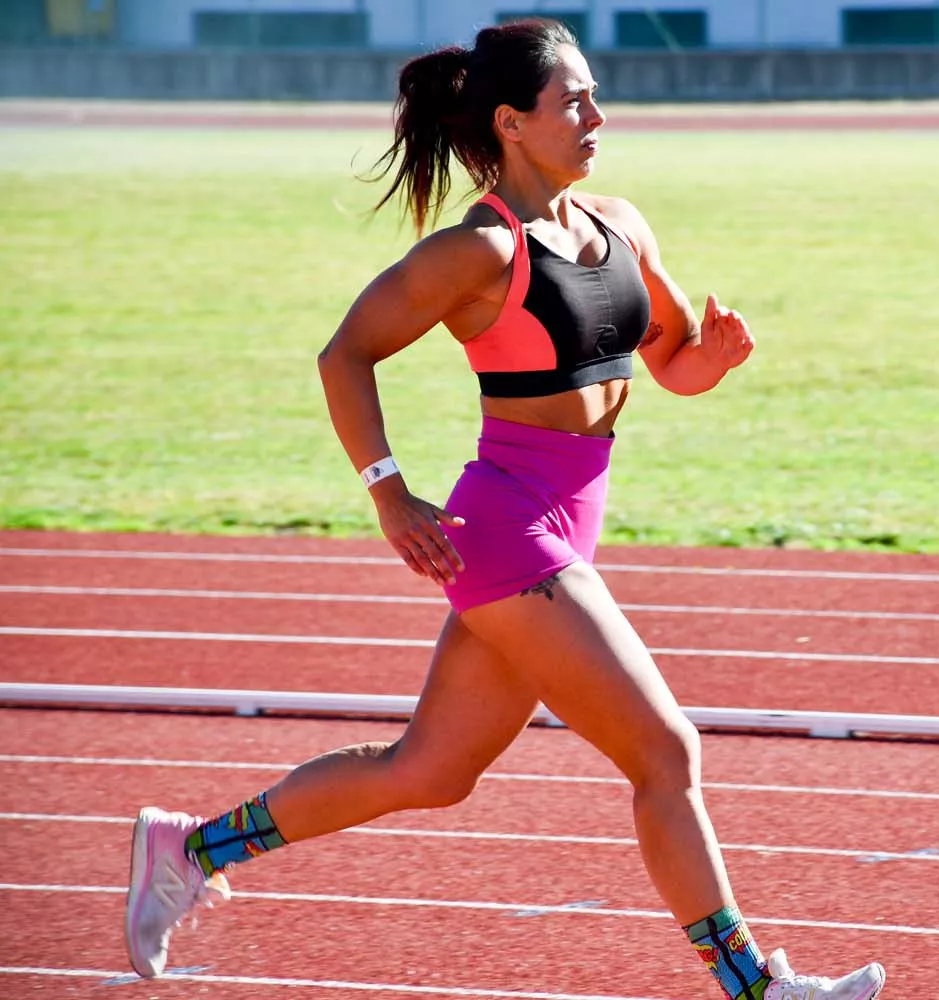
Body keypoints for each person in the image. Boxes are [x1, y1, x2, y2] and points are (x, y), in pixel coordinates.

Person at [123, 18, 885, 1000]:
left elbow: (672, 362)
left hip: (569, 523)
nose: (597, 116)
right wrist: (389, 491)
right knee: (664, 750)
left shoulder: (620, 225)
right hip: (507, 529)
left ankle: (189, 848)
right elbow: (342, 354)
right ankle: (757, 988)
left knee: (430, 770)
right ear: (513, 122)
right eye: (575, 101)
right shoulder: (482, 249)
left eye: (595, 96)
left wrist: (718, 359)